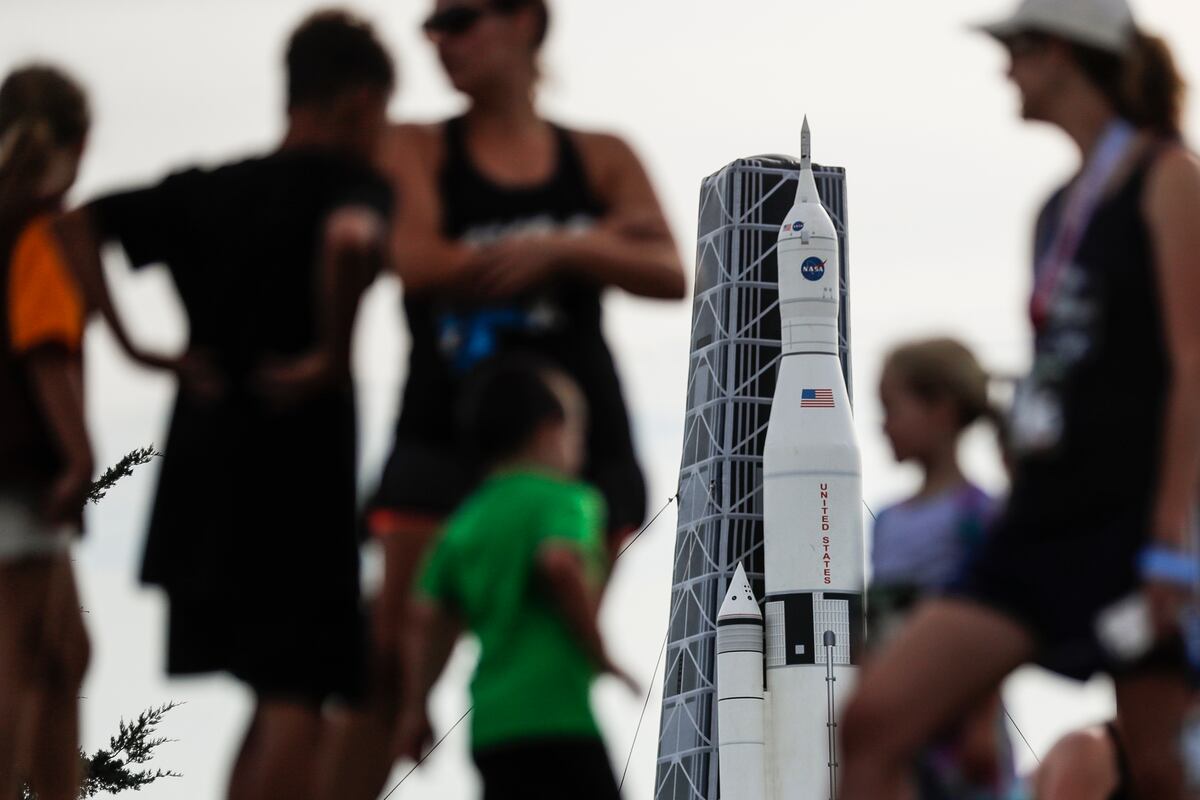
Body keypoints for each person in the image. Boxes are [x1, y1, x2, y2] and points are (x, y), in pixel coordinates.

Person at [321, 2, 686, 795]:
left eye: (460, 19)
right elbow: (415, 259)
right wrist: (587, 247)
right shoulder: (417, 145)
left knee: (541, 645)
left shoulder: (597, 154)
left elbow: (668, 268)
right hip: (444, 432)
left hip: (575, 445)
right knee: (388, 668)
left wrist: (563, 245)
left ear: (526, 21)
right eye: (431, 26)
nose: (440, 40)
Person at [839, 0, 1200, 798]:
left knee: (1161, 769)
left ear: (1063, 54)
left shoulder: (1167, 176)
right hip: (1042, 520)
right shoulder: (1051, 211)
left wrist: (1173, 544)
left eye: (1017, 48)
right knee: (868, 726)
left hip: (1135, 520)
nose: (1006, 68)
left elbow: (1191, 363)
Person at [53, 11, 394, 800]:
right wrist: (331, 354)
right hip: (297, 478)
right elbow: (349, 240)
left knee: (271, 698)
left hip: (203, 476)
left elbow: (73, 226)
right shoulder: (350, 185)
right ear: (353, 101)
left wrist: (138, 347)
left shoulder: (210, 189)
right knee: (298, 702)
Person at [395, 355, 636, 800]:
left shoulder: (465, 521)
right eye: (577, 433)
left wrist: (416, 708)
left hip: (491, 728)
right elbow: (559, 562)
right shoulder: (567, 499)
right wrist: (601, 654)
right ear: (551, 431)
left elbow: (424, 613)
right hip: (558, 719)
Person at [0, 64, 92, 800]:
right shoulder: (39, 230)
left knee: (64, 651)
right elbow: (46, 348)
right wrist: (78, 453)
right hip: (22, 472)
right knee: (20, 653)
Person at [871, 338, 1017, 798]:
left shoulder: (978, 512)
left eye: (893, 409)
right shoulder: (888, 519)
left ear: (941, 410)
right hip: (898, 724)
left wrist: (980, 723)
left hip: (959, 725)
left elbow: (995, 619)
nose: (884, 426)